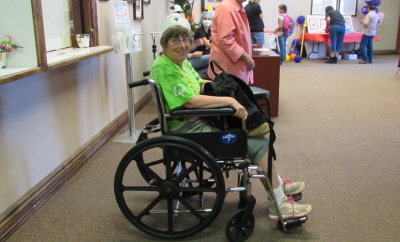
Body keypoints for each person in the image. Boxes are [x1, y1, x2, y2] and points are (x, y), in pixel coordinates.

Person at [149, 24, 312, 221]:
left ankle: (275, 182)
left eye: (186, 40)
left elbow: (199, 83)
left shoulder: (179, 63)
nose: (183, 45)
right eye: (176, 41)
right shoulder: (165, 67)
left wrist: (222, 87)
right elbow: (190, 101)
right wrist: (229, 100)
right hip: (186, 129)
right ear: (164, 44)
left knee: (250, 132)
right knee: (255, 142)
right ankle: (279, 203)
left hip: (196, 122)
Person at [207, 0, 255, 85]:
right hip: (228, 69)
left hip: (234, 68)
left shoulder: (237, 7)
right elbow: (226, 40)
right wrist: (246, 57)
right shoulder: (227, 8)